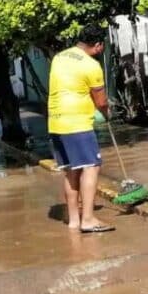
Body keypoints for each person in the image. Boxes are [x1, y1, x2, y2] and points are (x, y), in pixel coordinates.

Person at [48, 25, 114, 233]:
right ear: (97, 45)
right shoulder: (91, 65)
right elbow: (101, 101)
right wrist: (106, 114)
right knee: (91, 166)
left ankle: (74, 220)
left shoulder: (59, 57)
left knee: (71, 170)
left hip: (56, 121)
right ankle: (88, 219)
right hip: (76, 122)